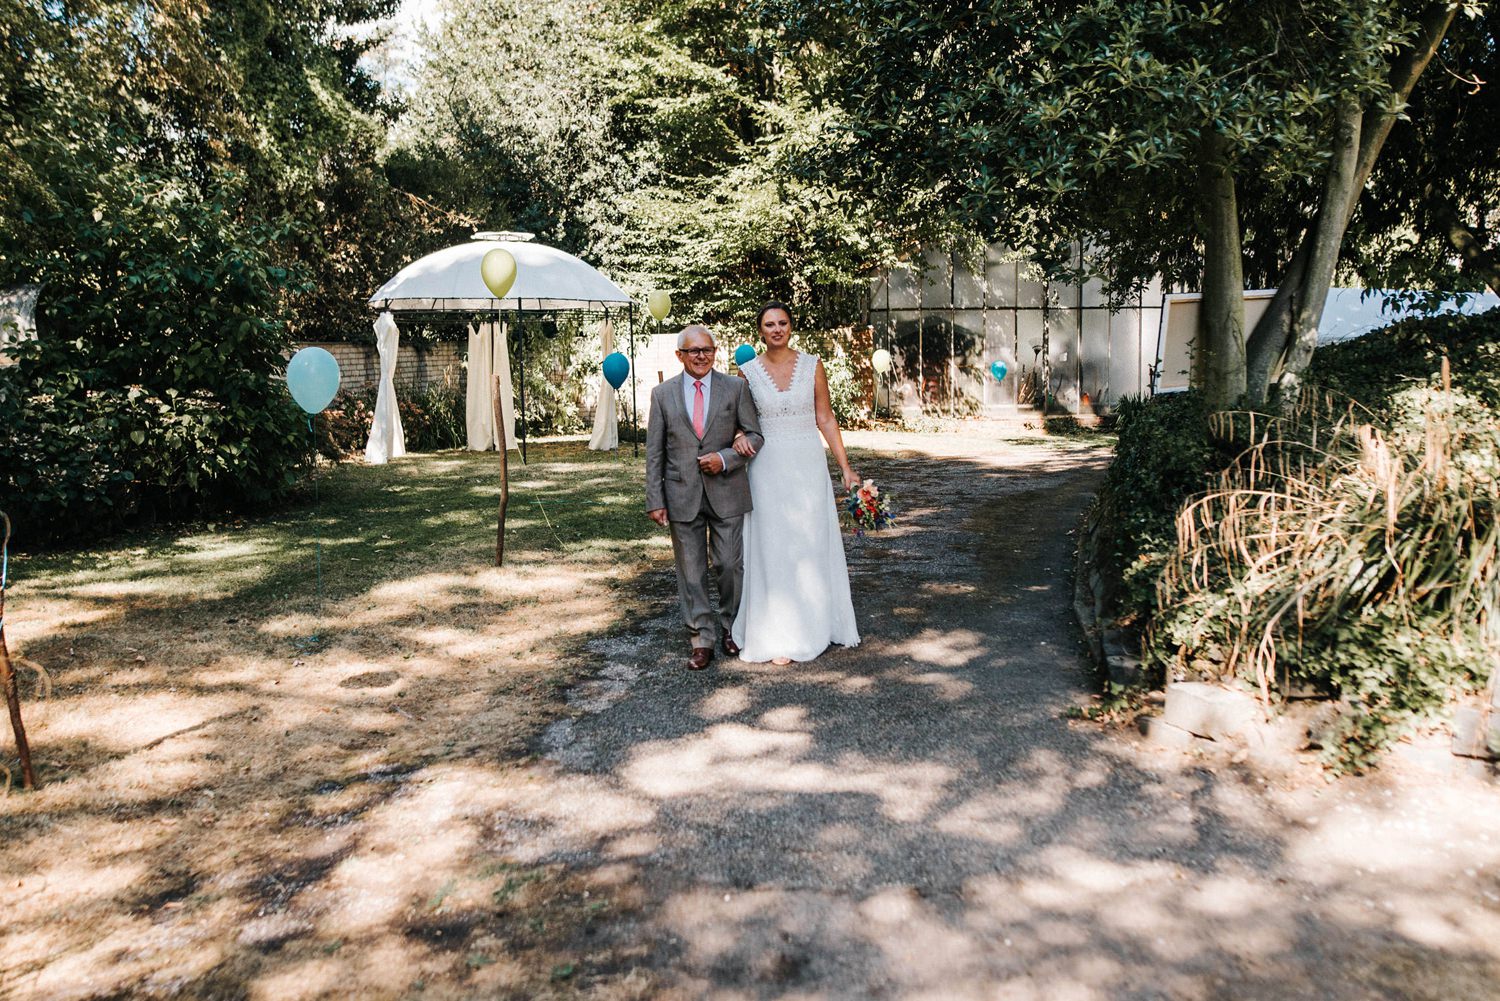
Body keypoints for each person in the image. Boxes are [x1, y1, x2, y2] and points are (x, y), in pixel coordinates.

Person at [730, 303, 860, 664]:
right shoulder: (748, 372)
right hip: (766, 467)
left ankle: (815, 623)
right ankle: (777, 631)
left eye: (782, 323)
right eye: (769, 324)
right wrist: (740, 435)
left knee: (808, 541)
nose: (776, 329)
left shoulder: (813, 365)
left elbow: (826, 418)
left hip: (807, 464)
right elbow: (740, 423)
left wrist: (845, 469)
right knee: (773, 544)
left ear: (791, 326)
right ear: (760, 331)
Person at [645, 324, 765, 671]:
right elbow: (654, 453)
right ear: (679, 355)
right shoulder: (662, 394)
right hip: (681, 494)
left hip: (727, 491)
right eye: (694, 351)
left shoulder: (735, 388)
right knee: (691, 572)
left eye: (707, 350)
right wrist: (655, 498)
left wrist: (727, 457)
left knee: (729, 565)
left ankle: (731, 628)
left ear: (716, 353)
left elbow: (755, 435)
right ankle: (702, 638)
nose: (702, 357)